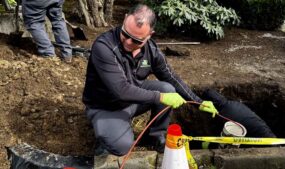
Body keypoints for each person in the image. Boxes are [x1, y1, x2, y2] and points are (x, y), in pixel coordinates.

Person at [82, 4, 274, 156]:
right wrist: (160, 98)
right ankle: (105, 137)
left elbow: (170, 76)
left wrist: (199, 102)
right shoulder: (104, 47)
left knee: (168, 88)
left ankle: (157, 137)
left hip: (132, 98)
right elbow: (121, 90)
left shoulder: (151, 50)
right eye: (125, 34)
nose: (128, 42)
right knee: (122, 146)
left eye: (136, 40)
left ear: (149, 35)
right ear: (124, 20)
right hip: (106, 105)